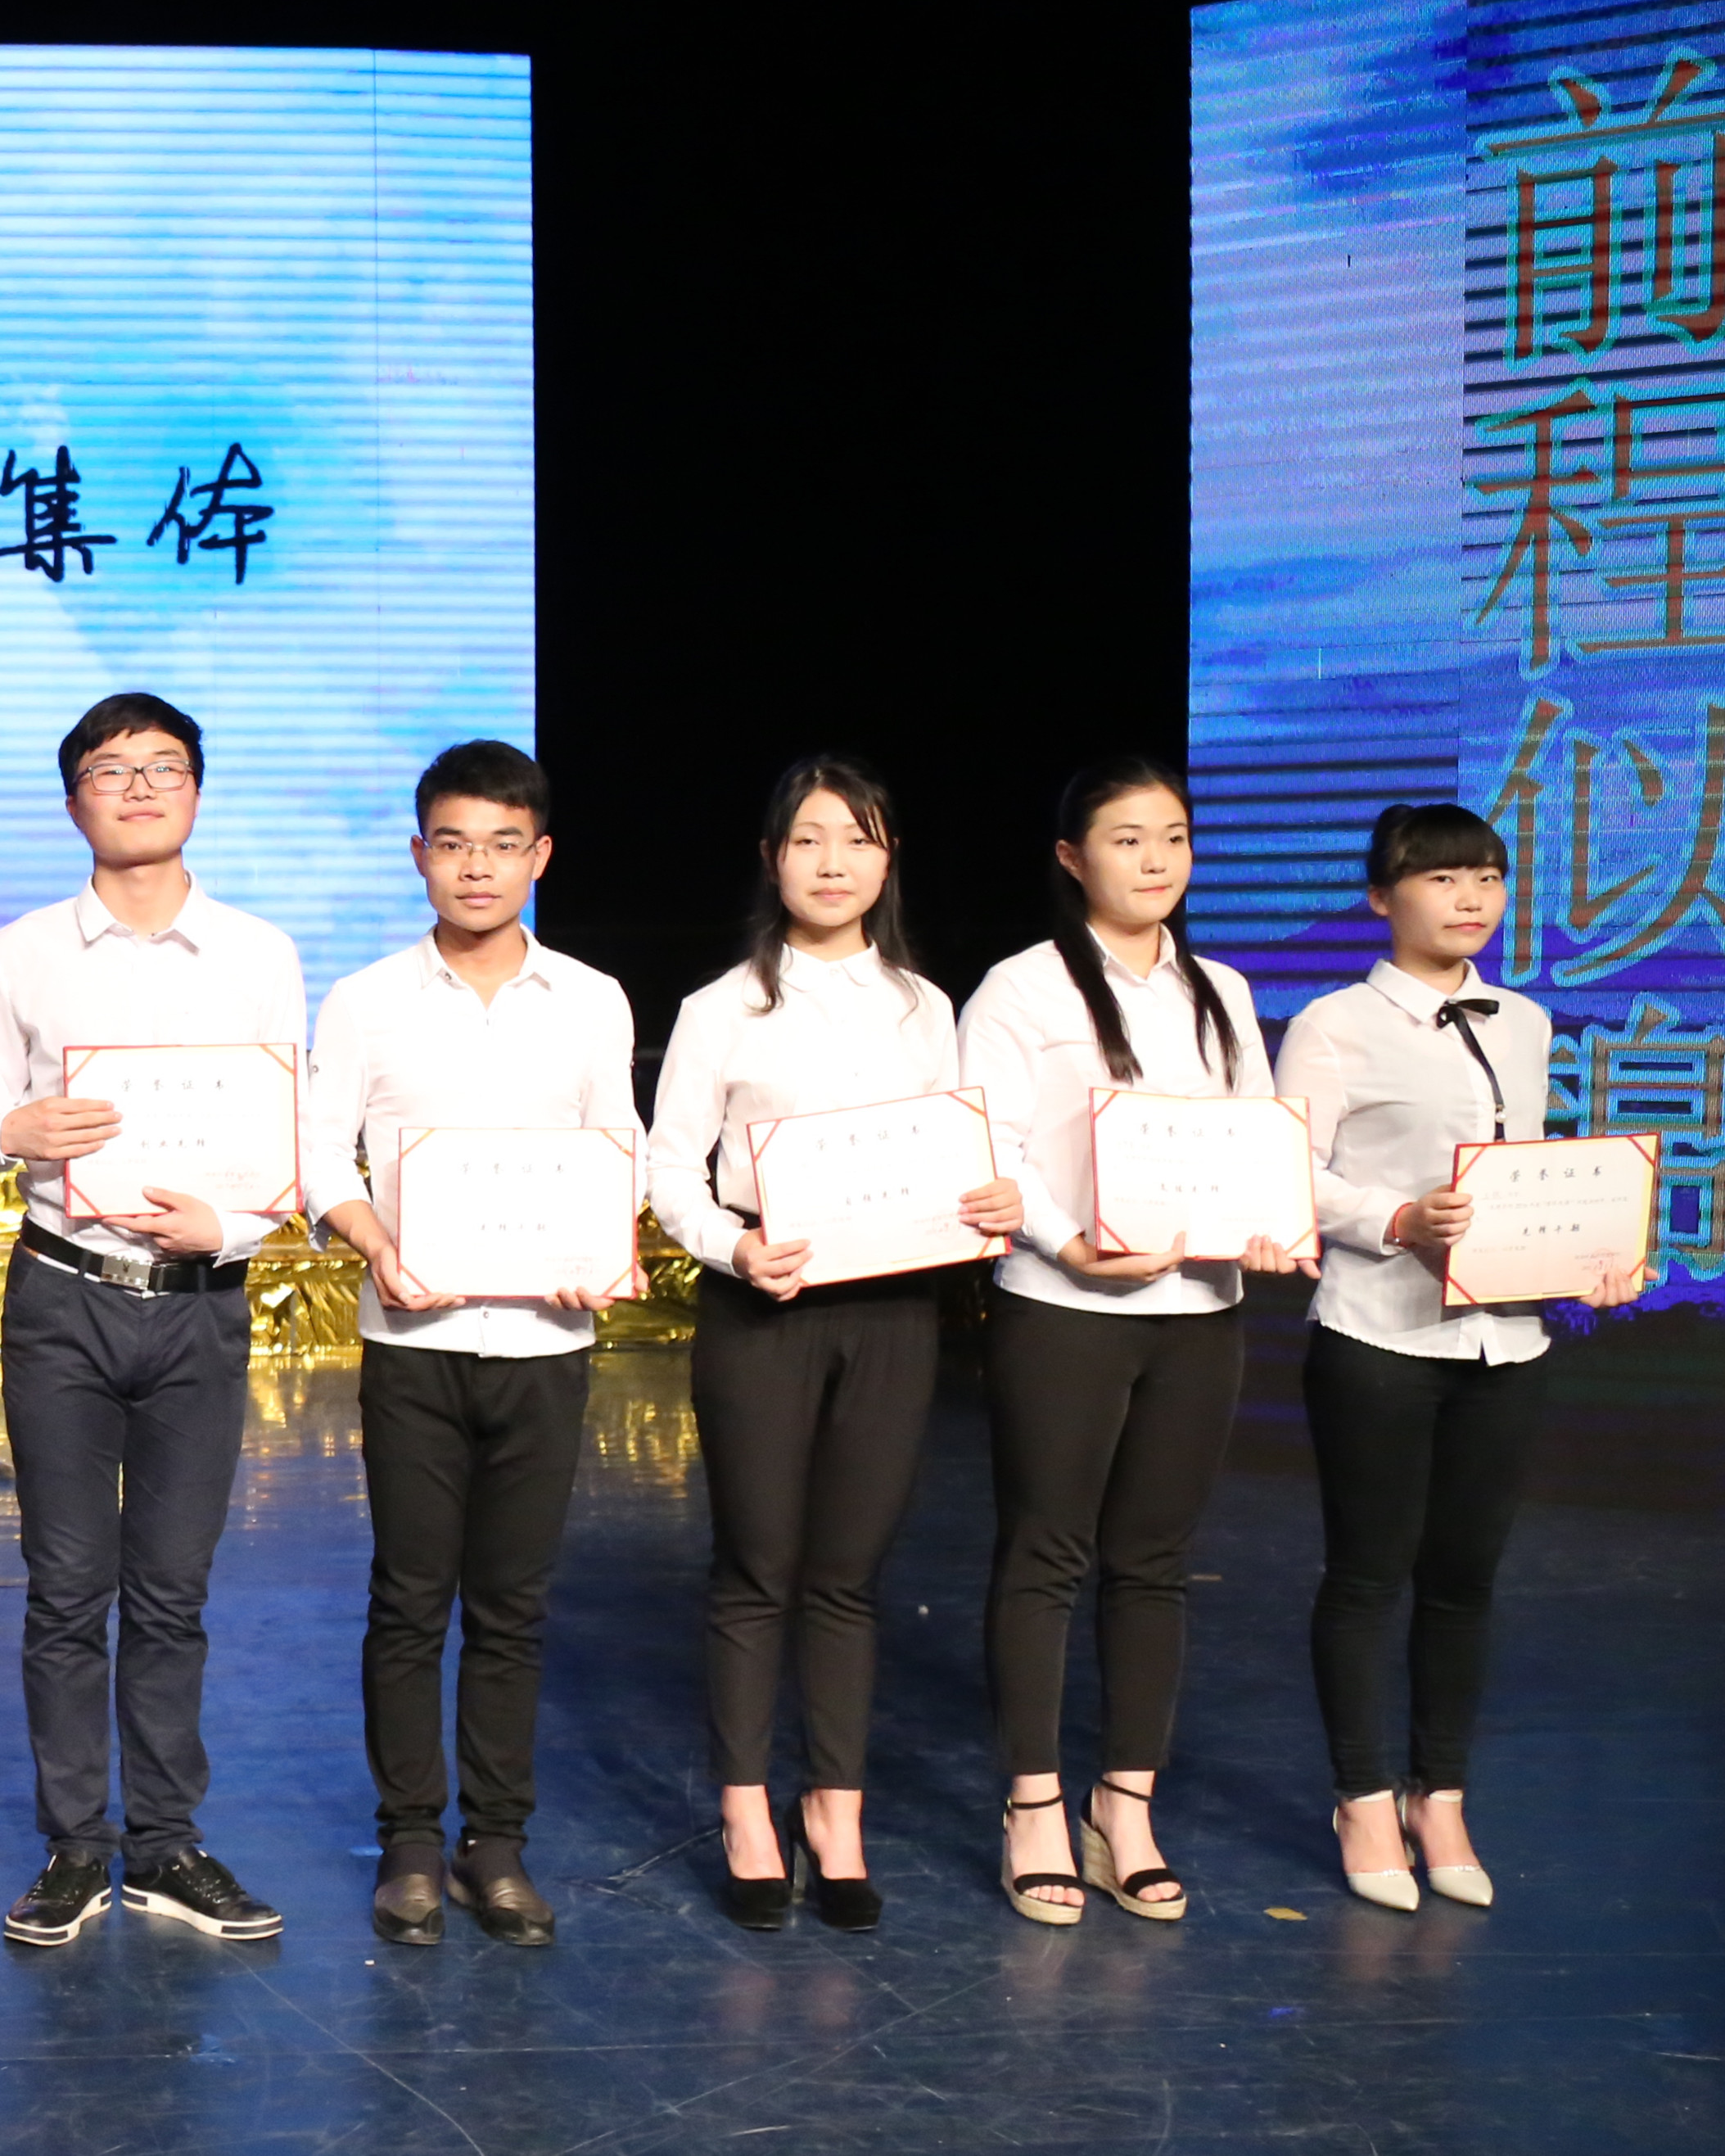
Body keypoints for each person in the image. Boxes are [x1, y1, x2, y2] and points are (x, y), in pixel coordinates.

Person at [0, 694, 305, 1948]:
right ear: (73, 802)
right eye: (112, 769)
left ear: (197, 791)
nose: (140, 787)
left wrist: (236, 1226)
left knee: (171, 1593)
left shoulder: (259, 954)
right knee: (65, 1588)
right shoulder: (24, 951)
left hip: (200, 1306)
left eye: (164, 767)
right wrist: (14, 1128)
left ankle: (165, 1846)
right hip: (64, 1298)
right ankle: (74, 1847)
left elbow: (287, 1135)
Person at [642, 758, 1020, 1935]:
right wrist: (731, 1246)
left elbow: (959, 1153)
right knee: (757, 1568)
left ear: (888, 860)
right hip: (766, 1307)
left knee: (850, 1576)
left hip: (893, 1313)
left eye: (857, 840)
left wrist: (991, 1199)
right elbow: (669, 1167)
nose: (833, 862)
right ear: (772, 861)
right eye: (809, 840)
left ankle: (836, 1809)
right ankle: (748, 1810)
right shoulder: (720, 1009)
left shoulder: (925, 1007)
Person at [302, 738, 637, 1949]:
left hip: (547, 1339)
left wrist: (608, 1244)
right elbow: (317, 1152)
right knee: (408, 1598)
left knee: (513, 1605)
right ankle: (407, 1842)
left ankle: (495, 1845)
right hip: (416, 1335)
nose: (477, 867)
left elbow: (619, 1146)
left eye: (502, 845)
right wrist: (370, 1236)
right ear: (419, 856)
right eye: (453, 844)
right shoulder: (366, 1000)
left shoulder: (592, 998)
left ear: (540, 856)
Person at [1279, 802, 1641, 1912]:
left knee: (1464, 1581)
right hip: (1379, 1333)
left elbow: (1527, 1174)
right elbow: (1289, 1172)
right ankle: (1362, 1797)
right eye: (1441, 878)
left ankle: (1441, 1796)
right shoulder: (1334, 1024)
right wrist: (1395, 1219)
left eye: (1486, 875)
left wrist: (1592, 1253)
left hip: (1507, 1338)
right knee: (1368, 1576)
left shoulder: (1525, 1020)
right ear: (1381, 897)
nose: (1470, 897)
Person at [959, 755, 1298, 1928]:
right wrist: (1067, 1244)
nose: (1157, 861)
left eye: (1175, 838)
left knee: (1154, 1563)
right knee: (1045, 1555)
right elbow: (989, 1146)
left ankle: (1127, 1807)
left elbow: (1254, 1138)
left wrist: (1268, 1224)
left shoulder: (1223, 989)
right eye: (1128, 839)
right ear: (1072, 858)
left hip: (1199, 1313)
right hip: (1063, 1309)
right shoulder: (1021, 990)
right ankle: (1034, 1808)